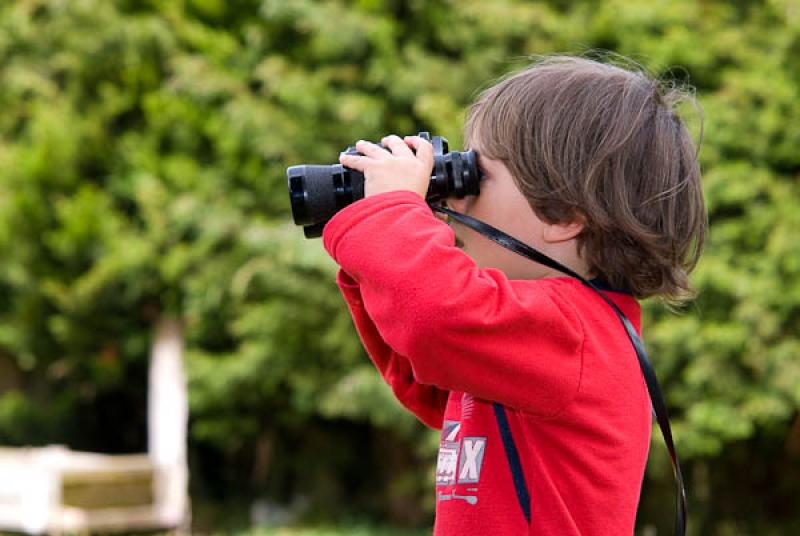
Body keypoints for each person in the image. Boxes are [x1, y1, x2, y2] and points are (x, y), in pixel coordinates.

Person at [323, 55, 706, 535]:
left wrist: (392, 214)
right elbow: (427, 375)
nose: (456, 197)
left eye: (474, 175)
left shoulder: (572, 333)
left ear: (563, 215)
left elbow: (436, 320)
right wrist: (374, 261)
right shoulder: (548, 336)